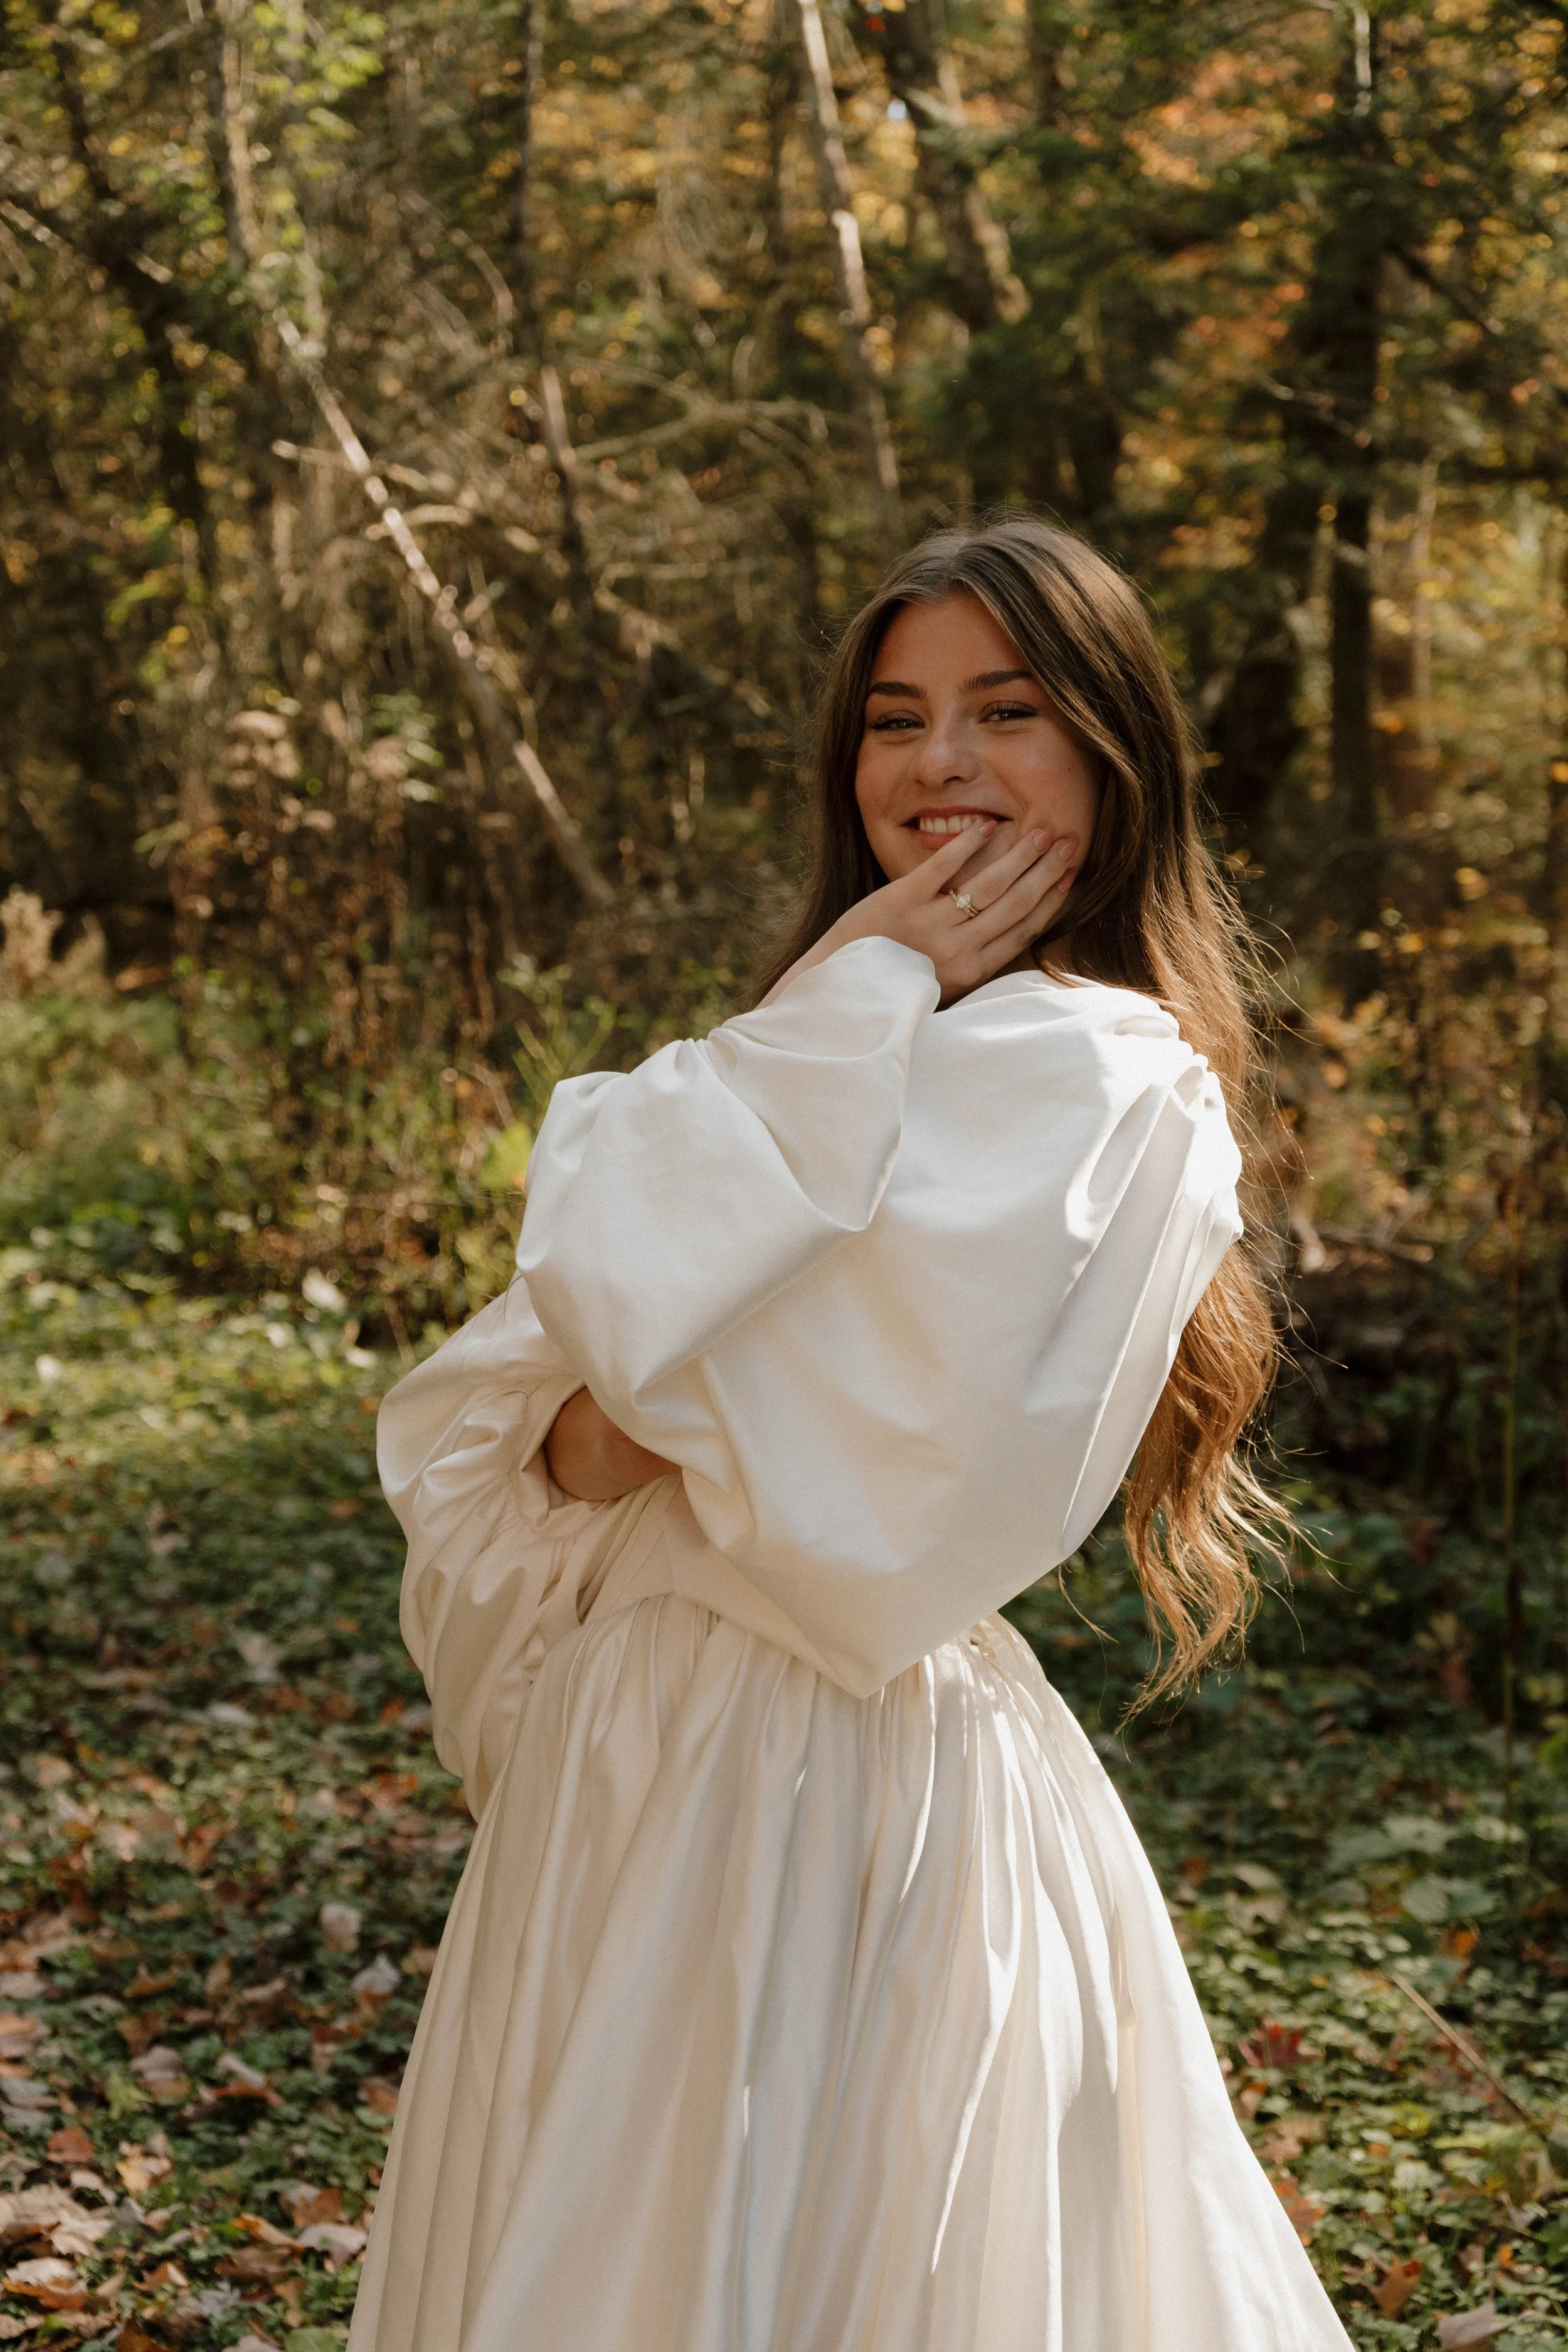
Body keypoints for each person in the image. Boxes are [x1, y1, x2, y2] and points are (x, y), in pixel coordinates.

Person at [349, 517, 1353, 2352]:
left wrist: (663, 1333)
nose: (938, 764)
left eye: (1006, 709)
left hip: (827, 1771)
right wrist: (860, 991)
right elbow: (556, 1423)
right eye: (896, 718)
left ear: (1110, 757)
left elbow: (713, 1426)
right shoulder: (851, 1032)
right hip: (634, 1756)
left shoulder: (1102, 1069)